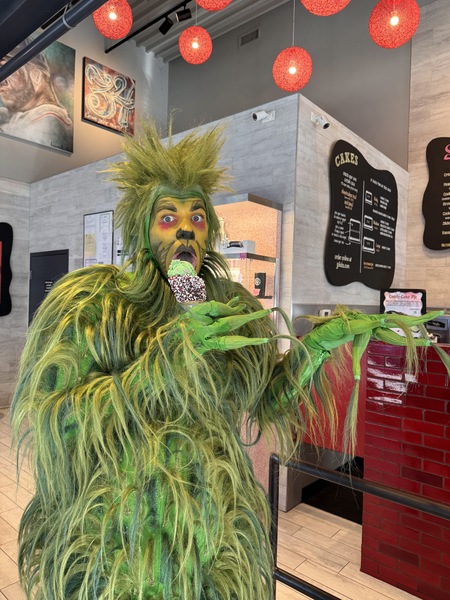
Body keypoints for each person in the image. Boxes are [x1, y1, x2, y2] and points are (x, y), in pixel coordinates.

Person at [11, 121, 446, 599]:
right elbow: (55, 418)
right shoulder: (94, 303)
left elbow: (264, 399)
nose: (184, 229)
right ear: (141, 228)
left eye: (197, 218)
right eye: (167, 217)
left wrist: (319, 347)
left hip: (214, 530)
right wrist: (167, 362)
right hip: (121, 535)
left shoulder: (233, 308)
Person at [0, 38, 73, 152]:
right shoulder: (16, 116)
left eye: (6, 69)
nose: (1, 82)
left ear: (36, 77)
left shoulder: (48, 121)